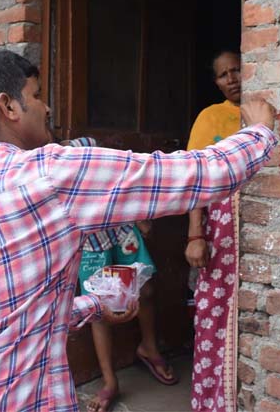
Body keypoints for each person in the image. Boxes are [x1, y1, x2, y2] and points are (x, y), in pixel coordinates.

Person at [0, 48, 276, 412]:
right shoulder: (48, 173)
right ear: (8, 106)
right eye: (36, 95)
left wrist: (93, 305)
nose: (47, 107)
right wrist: (258, 131)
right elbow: (192, 175)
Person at [65, 138, 177, 412]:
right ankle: (110, 381)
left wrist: (139, 215)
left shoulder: (91, 152)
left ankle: (149, 347)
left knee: (145, 289)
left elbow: (122, 184)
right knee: (98, 307)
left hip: (121, 229)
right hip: (90, 242)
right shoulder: (58, 167)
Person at [184, 50, 244, 411]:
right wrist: (196, 235)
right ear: (217, 82)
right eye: (223, 74)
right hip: (219, 231)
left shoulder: (260, 113)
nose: (232, 79)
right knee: (213, 314)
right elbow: (196, 180)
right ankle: (211, 401)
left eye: (237, 70)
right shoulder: (210, 118)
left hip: (251, 230)